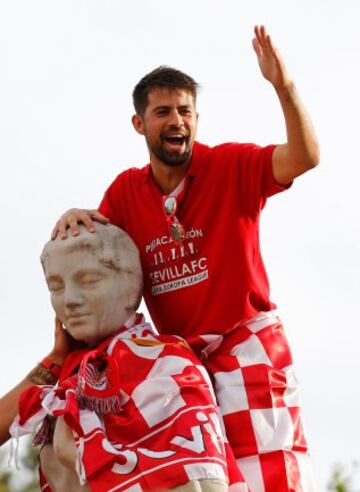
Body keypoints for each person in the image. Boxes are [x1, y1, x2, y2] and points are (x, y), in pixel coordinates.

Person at [6, 25, 319, 491]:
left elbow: (305, 157)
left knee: (267, 478)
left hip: (246, 350)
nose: (177, 120)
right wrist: (74, 214)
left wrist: (285, 86)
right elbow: (100, 253)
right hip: (180, 363)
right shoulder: (125, 192)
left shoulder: (231, 165)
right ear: (140, 123)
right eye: (163, 111)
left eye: (185, 111)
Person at [9, 223, 245, 491]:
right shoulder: (67, 388)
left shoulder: (170, 365)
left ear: (131, 286)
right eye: (56, 286)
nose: (70, 300)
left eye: (88, 281)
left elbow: (202, 482)